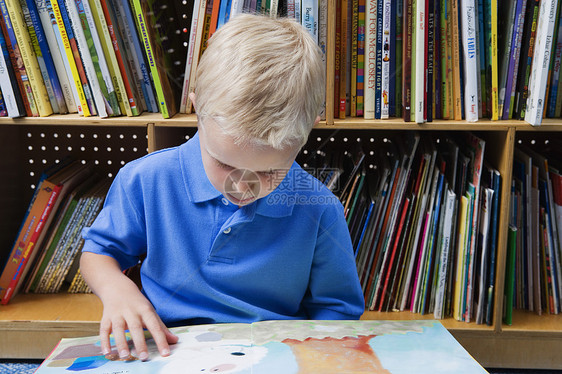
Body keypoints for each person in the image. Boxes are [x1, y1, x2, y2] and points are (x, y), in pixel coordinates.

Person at [80, 13, 364, 362]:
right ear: (197, 108)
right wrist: (116, 290)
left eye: (269, 171)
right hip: (168, 352)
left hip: (273, 358)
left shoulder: (320, 209)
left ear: (308, 134)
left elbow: (336, 312)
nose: (243, 184)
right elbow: (99, 253)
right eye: (225, 164)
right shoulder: (145, 180)